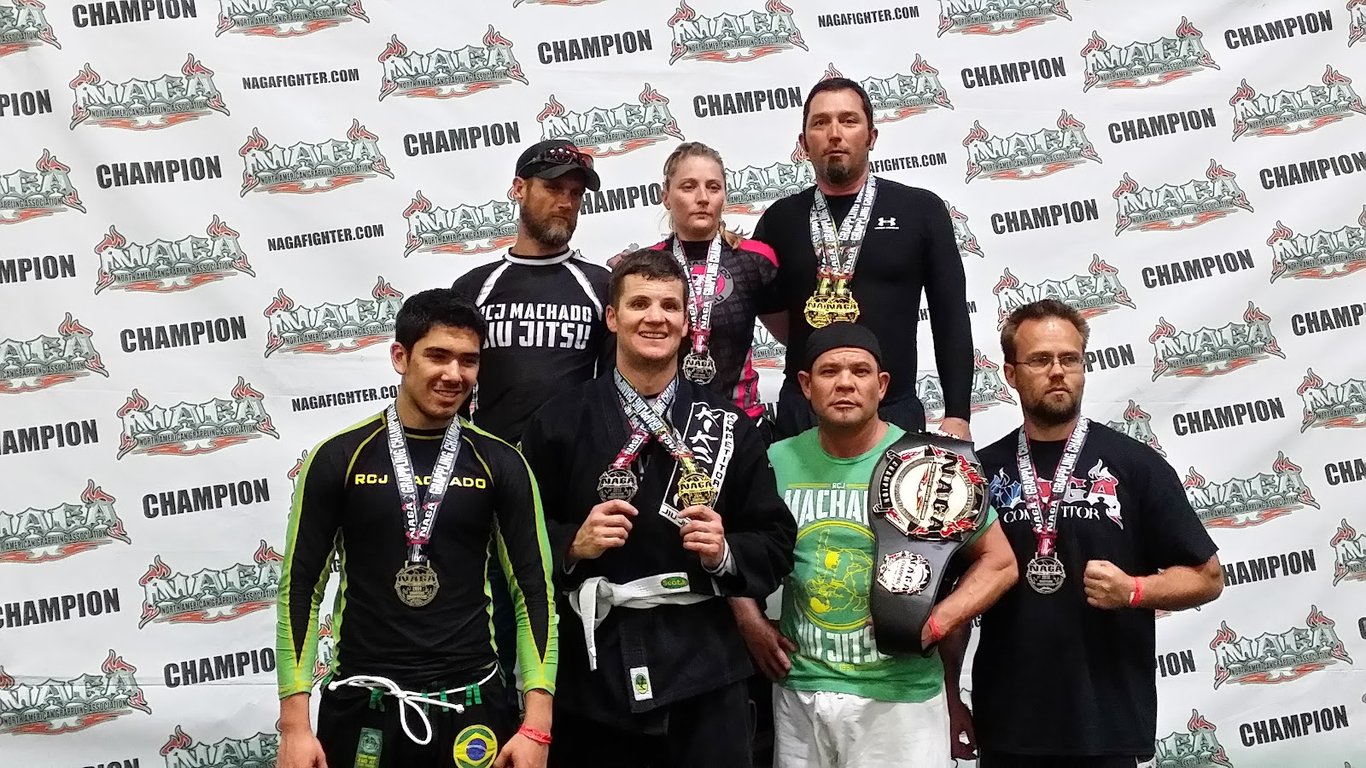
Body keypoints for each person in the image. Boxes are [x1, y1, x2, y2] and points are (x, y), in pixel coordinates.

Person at [519, 250, 797, 767]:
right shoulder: (559, 421)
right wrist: (571, 544)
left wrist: (725, 553)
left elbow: (776, 541)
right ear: (612, 317)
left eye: (670, 306)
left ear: (688, 323)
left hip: (706, 671)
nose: (656, 317)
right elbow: (516, 541)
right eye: (639, 303)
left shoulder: (728, 424)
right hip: (594, 675)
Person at [277, 289, 557, 768]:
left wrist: (536, 726)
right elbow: (300, 589)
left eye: (468, 360)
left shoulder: (501, 462)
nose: (454, 374)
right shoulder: (338, 457)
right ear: (400, 357)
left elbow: (534, 591)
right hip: (363, 707)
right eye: (438, 356)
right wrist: (294, 726)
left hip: (472, 709)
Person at [733, 323, 1017, 767]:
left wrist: (938, 621)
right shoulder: (775, 459)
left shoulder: (930, 463)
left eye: (860, 371)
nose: (845, 383)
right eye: (829, 371)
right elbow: (731, 545)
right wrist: (750, 620)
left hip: (899, 698)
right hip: (800, 692)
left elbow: (999, 562)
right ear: (806, 385)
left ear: (881, 385)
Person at [971, 299, 1223, 768]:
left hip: (1105, 724)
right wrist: (949, 697)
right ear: (1010, 374)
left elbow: (1207, 577)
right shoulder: (981, 473)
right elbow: (955, 595)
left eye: (1070, 359)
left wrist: (1134, 591)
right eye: (1040, 360)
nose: (1057, 372)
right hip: (1008, 723)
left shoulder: (1136, 465)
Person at [451, 138, 611, 694]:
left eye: (576, 193)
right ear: (519, 189)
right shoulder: (475, 287)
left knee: (573, 649)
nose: (566, 201)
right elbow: (452, 389)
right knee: (489, 642)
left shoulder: (600, 285)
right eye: (553, 188)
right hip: (489, 489)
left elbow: (617, 393)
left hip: (571, 494)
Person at [754, 77, 974, 443]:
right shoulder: (779, 219)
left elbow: (950, 317)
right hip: (802, 415)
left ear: (871, 137)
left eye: (848, 120)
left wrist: (958, 415)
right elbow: (766, 309)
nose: (834, 134)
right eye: (821, 122)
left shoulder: (921, 211)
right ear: (803, 143)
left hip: (893, 411)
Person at [627, 141, 779, 424]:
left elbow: (790, 336)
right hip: (665, 424)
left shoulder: (755, 260)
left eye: (713, 187)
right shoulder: (644, 266)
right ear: (666, 197)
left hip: (741, 423)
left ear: (724, 195)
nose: (702, 198)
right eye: (688, 187)